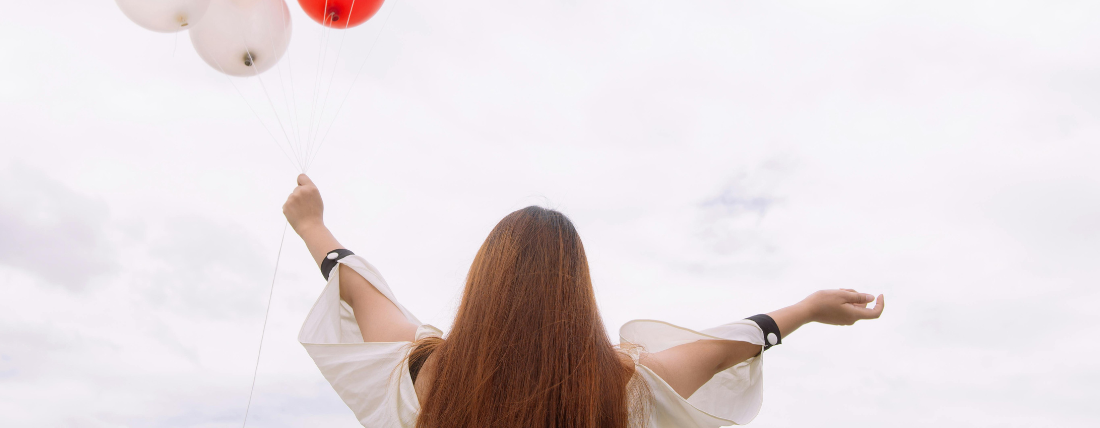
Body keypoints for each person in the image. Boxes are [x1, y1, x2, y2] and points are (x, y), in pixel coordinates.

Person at [285, 174, 884, 428]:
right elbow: (729, 344)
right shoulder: (622, 385)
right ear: (579, 293)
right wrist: (806, 309)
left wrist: (312, 225)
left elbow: (363, 292)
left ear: (482, 283)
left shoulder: (429, 373)